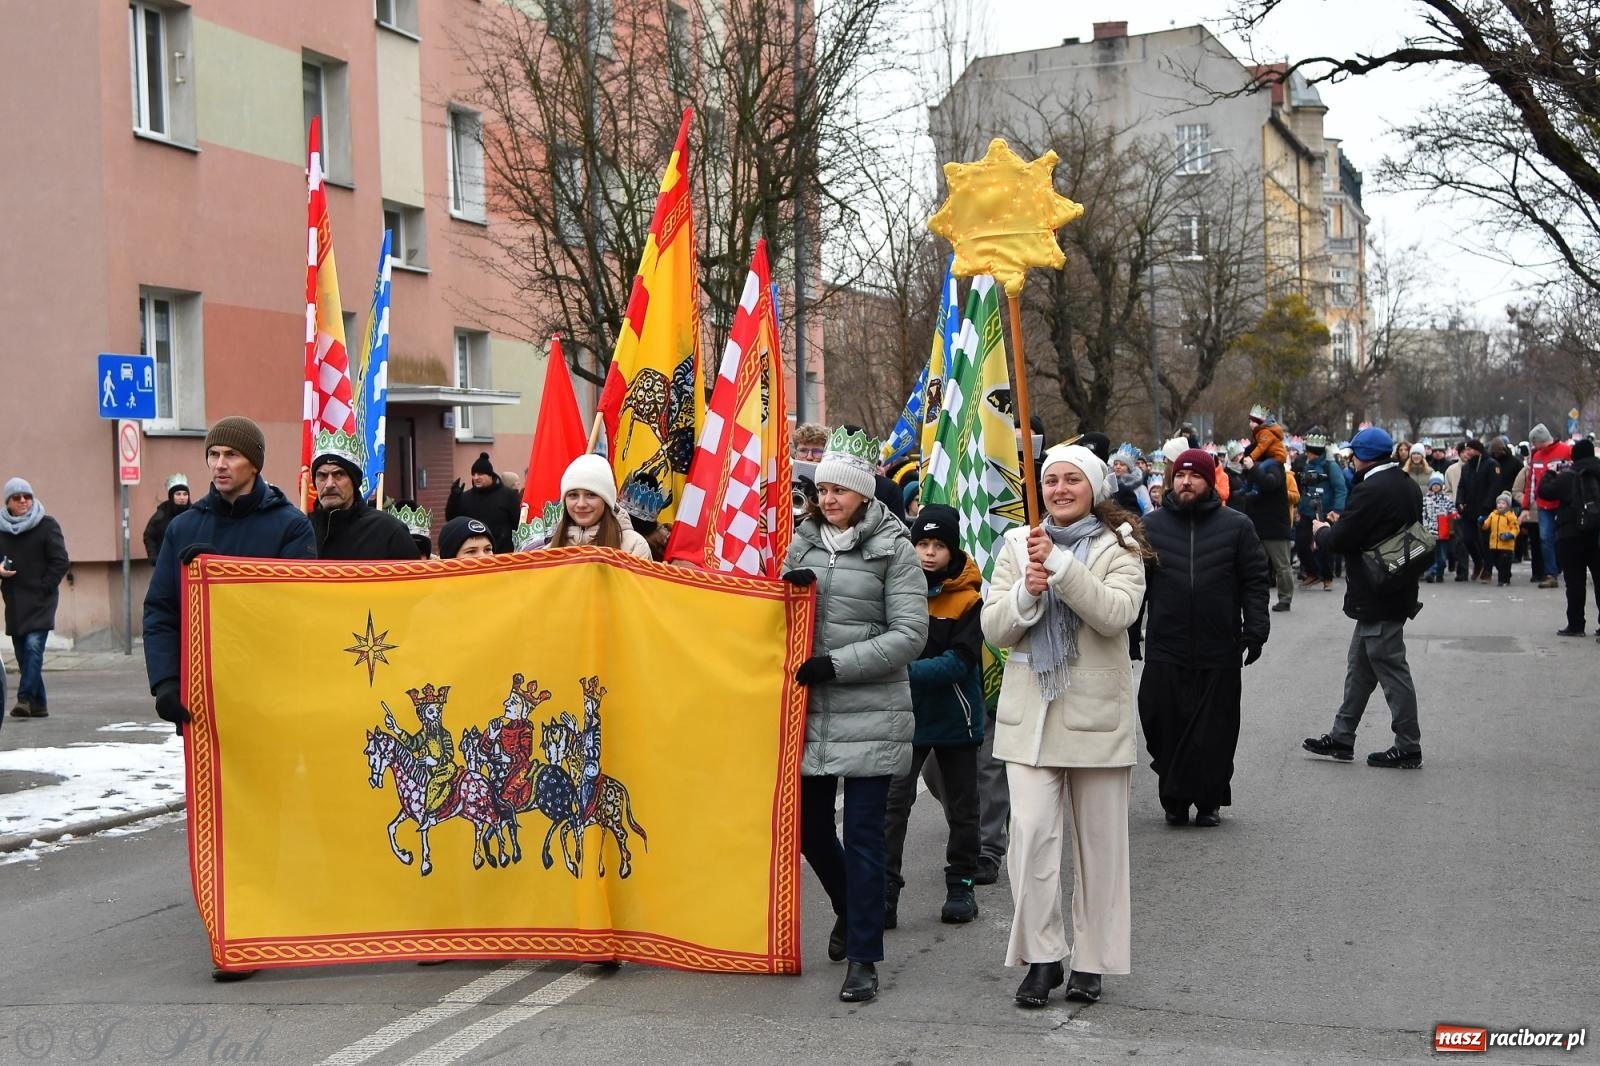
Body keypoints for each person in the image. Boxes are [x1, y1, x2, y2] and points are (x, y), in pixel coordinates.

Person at [142, 416, 315, 981]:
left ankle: (255, 928)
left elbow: (297, 608)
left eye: (231, 455)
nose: (219, 464)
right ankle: (232, 929)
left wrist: (227, 579)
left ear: (254, 463)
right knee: (216, 819)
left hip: (267, 700)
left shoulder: (290, 526)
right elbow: (161, 610)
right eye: (213, 454)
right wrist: (166, 684)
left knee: (261, 815)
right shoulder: (184, 527)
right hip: (203, 702)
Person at [980, 444, 1150, 1009]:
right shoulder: (1016, 544)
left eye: (1072, 480)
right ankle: (1043, 956)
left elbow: (1116, 614)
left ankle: (1092, 960)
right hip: (1029, 717)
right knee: (1029, 838)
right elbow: (994, 629)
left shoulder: (1120, 545)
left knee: (1101, 848)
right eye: (1051, 480)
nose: (1059, 489)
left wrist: (1060, 565)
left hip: (1096, 719)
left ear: (1094, 489)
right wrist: (1026, 593)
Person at [781, 426, 926, 1004]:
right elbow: (778, 620)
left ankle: (864, 957)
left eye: (839, 489)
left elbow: (910, 635)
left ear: (863, 493)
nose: (828, 498)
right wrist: (785, 595)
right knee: (808, 828)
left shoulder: (895, 549)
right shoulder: (802, 543)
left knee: (864, 836)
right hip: (808, 713)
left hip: (871, 711)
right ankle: (849, 906)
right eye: (822, 490)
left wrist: (836, 665)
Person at [1139, 450, 1269, 828]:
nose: (1186, 482)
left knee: (1216, 730)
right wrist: (1129, 631)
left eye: (1195, 476)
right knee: (1161, 722)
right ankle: (1174, 797)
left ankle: (1209, 800)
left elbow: (1254, 581)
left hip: (1219, 646)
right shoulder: (1151, 526)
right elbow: (1136, 584)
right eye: (1180, 476)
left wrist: (1256, 629)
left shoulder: (1237, 526)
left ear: (1209, 482)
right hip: (1166, 645)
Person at [883, 504, 985, 930]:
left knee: (963, 806)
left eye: (938, 545)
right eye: (921, 543)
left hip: (955, 716)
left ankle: (961, 885)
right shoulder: (897, 590)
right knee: (893, 804)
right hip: (906, 716)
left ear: (952, 549)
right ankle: (885, 890)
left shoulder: (968, 598)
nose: (928, 553)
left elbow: (960, 661)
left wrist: (901, 672)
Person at [1303, 427, 1424, 770]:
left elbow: (1342, 540)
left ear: (1365, 456)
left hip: (1378, 592)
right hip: (1393, 584)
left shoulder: (1371, 489)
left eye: (1354, 454)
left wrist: (1323, 531)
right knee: (1360, 669)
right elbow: (1380, 529)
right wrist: (1344, 525)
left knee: (1391, 670)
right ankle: (1342, 736)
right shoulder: (1405, 484)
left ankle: (1408, 745)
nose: (1351, 459)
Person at [0, 479, 70, 719]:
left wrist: (45, 586)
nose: (23, 501)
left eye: (27, 496)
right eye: (17, 497)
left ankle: (24, 699)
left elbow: (60, 561)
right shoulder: (1, 530)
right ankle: (39, 705)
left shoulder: (47, 525)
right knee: (22, 654)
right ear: (8, 502)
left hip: (41, 600)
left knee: (33, 648)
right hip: (15, 600)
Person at [309, 432, 418, 561]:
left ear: (354, 482)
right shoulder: (301, 531)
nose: (329, 484)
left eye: (339, 475)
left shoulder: (389, 532)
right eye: (322, 475)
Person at [1538, 438, 1600, 638]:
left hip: (1570, 534)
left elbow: (1544, 492)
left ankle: (1576, 625)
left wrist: (1549, 474)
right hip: (1597, 534)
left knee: (1575, 582)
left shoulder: (1567, 476)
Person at [543, 455, 653, 559]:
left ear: (606, 500)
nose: (581, 504)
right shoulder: (548, 552)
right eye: (573, 495)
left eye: (591, 495)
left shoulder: (634, 546)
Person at [1239, 422, 1295, 612]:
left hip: (1274, 525)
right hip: (1257, 523)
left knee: (1282, 565)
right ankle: (1256, 597)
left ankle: (1285, 598)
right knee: (1256, 566)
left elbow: (1270, 484)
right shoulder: (1256, 467)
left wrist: (1254, 469)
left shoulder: (1274, 466)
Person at [1295, 433, 1347, 591]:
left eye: (1309, 452)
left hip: (1324, 512)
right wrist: (1298, 507)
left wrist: (1337, 510)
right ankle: (1312, 573)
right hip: (1306, 511)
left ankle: (1327, 577)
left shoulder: (1330, 466)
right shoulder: (1306, 465)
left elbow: (1340, 488)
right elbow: (1303, 488)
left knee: (1324, 546)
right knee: (1301, 544)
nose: (1306, 454)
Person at [445, 452, 521, 553]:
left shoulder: (508, 496)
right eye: (473, 474)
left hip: (503, 554)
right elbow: (451, 520)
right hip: (476, 555)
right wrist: (454, 499)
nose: (476, 477)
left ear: (490, 476)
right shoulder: (466, 497)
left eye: (480, 474)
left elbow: (518, 524)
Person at [1525, 424, 1570, 589]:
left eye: (1534, 442)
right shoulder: (1536, 456)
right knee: (1545, 538)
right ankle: (1551, 573)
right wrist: (1526, 506)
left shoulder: (1566, 451)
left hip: (1562, 502)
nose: (1533, 446)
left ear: (1539, 440)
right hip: (1544, 505)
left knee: (1564, 538)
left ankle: (1567, 569)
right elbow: (1531, 482)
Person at [142, 474, 191, 562]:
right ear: (172, 496)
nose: (182, 498)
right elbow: (149, 536)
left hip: (189, 562)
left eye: (185, 494)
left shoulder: (193, 513)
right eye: (178, 494)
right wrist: (153, 557)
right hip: (166, 562)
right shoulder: (161, 514)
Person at [1421, 473, 1456, 583]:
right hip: (1430, 531)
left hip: (1443, 531)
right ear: (1430, 486)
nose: (1436, 486)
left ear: (1441, 486)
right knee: (1432, 555)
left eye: (1438, 485)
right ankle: (1431, 573)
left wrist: (1454, 515)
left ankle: (1438, 572)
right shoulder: (1426, 499)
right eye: (1433, 485)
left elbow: (1452, 510)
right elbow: (1422, 514)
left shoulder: (1446, 499)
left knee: (1442, 556)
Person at [1482, 492, 1519, 586]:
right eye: (1499, 503)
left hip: (1506, 545)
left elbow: (1515, 528)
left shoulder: (1511, 516)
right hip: (1494, 544)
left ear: (1508, 505)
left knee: (1504, 562)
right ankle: (1506, 574)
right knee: (1496, 562)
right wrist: (1482, 522)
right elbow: (1486, 526)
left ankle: (1503, 580)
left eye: (1503, 503)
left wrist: (1510, 535)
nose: (1500, 505)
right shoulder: (1493, 515)